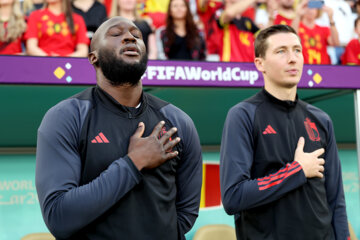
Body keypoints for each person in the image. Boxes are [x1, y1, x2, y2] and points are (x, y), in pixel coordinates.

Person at [35, 16, 202, 239]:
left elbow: (186, 212)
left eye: (137, 35)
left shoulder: (178, 121)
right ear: (93, 58)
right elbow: (59, 216)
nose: (129, 38)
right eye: (116, 34)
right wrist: (133, 163)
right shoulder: (67, 117)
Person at [220, 24, 349, 239]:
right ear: (260, 64)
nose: (293, 58)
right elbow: (234, 196)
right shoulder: (243, 115)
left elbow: (336, 199)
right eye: (281, 51)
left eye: (297, 50)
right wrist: (296, 171)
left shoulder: (321, 119)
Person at [25, 0, 89, 57]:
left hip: (68, 65)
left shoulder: (77, 19)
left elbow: (83, 51)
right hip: (42, 64)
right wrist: (50, 59)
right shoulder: (35, 16)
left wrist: (63, 60)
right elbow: (31, 47)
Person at [292, 0, 339, 64]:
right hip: (303, 68)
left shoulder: (324, 29)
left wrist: (331, 18)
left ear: (318, 10)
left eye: (313, 6)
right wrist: (297, 14)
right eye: (307, 6)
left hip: (322, 69)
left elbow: (335, 43)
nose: (310, 10)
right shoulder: (296, 26)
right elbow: (291, 38)